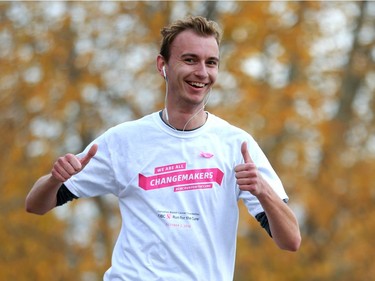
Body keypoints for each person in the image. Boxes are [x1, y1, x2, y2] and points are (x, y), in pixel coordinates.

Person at [25, 16, 301, 281]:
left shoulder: (236, 144)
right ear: (163, 65)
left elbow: (290, 240)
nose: (202, 72)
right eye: (190, 60)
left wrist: (262, 190)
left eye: (211, 62)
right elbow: (35, 205)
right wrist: (54, 180)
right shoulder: (123, 140)